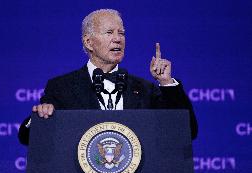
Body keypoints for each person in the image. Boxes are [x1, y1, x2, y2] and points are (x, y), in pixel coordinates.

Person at [18, 9, 198, 145]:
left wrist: (166, 82)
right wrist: (41, 117)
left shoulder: (145, 89)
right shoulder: (61, 87)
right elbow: (27, 138)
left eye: (121, 33)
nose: (118, 39)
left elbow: (186, 132)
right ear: (89, 42)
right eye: (109, 32)